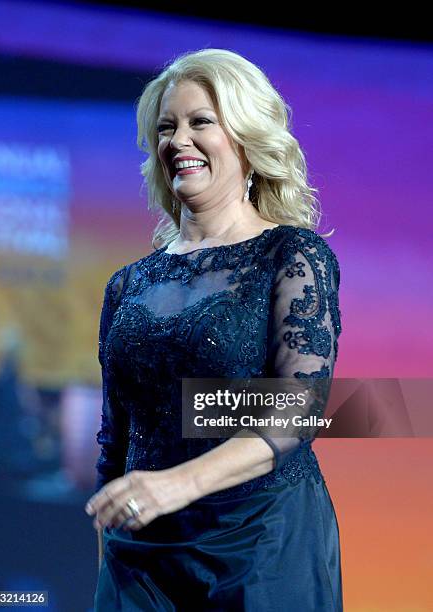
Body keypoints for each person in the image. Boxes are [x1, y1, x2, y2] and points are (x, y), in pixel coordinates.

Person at [85, 48, 343, 611]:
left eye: (201, 122)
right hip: (141, 559)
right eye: (166, 128)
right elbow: (117, 435)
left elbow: (298, 411)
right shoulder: (127, 285)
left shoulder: (292, 256)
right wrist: (109, 539)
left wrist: (178, 484)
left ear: (247, 140)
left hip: (260, 546)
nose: (179, 141)